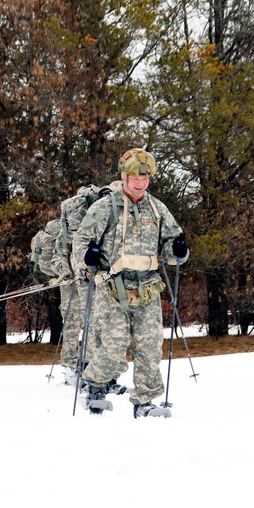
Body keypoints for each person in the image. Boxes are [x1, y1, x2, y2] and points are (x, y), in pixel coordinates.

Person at [70, 148, 189, 418]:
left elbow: (172, 247)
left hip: (147, 287)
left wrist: (179, 249)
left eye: (145, 178)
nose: (140, 183)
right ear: (124, 176)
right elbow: (80, 243)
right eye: (135, 177)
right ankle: (95, 385)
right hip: (113, 288)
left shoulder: (157, 209)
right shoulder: (104, 208)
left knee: (149, 347)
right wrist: (86, 256)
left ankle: (145, 401)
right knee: (113, 347)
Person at [52, 184, 114, 387]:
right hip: (81, 277)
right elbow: (64, 252)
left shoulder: (103, 219)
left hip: (98, 276)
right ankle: (82, 368)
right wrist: (74, 272)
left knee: (98, 322)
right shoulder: (79, 223)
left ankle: (96, 369)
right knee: (86, 321)